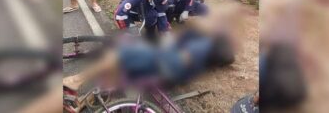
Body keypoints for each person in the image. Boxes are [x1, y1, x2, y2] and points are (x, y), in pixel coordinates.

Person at [63, 28, 235, 113]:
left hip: (164, 67)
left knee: (123, 54)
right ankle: (82, 97)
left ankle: (75, 82)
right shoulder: (202, 48)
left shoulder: (201, 48)